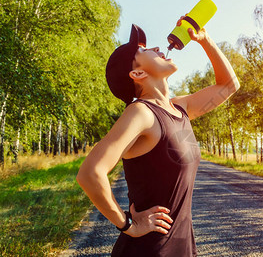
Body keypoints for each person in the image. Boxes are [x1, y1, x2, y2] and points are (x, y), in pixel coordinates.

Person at [76, 16, 240, 256]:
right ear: (138, 73)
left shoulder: (179, 108)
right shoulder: (140, 113)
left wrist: (204, 40)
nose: (155, 48)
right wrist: (128, 224)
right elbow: (90, 174)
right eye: (143, 50)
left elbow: (229, 85)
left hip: (182, 248)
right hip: (147, 251)